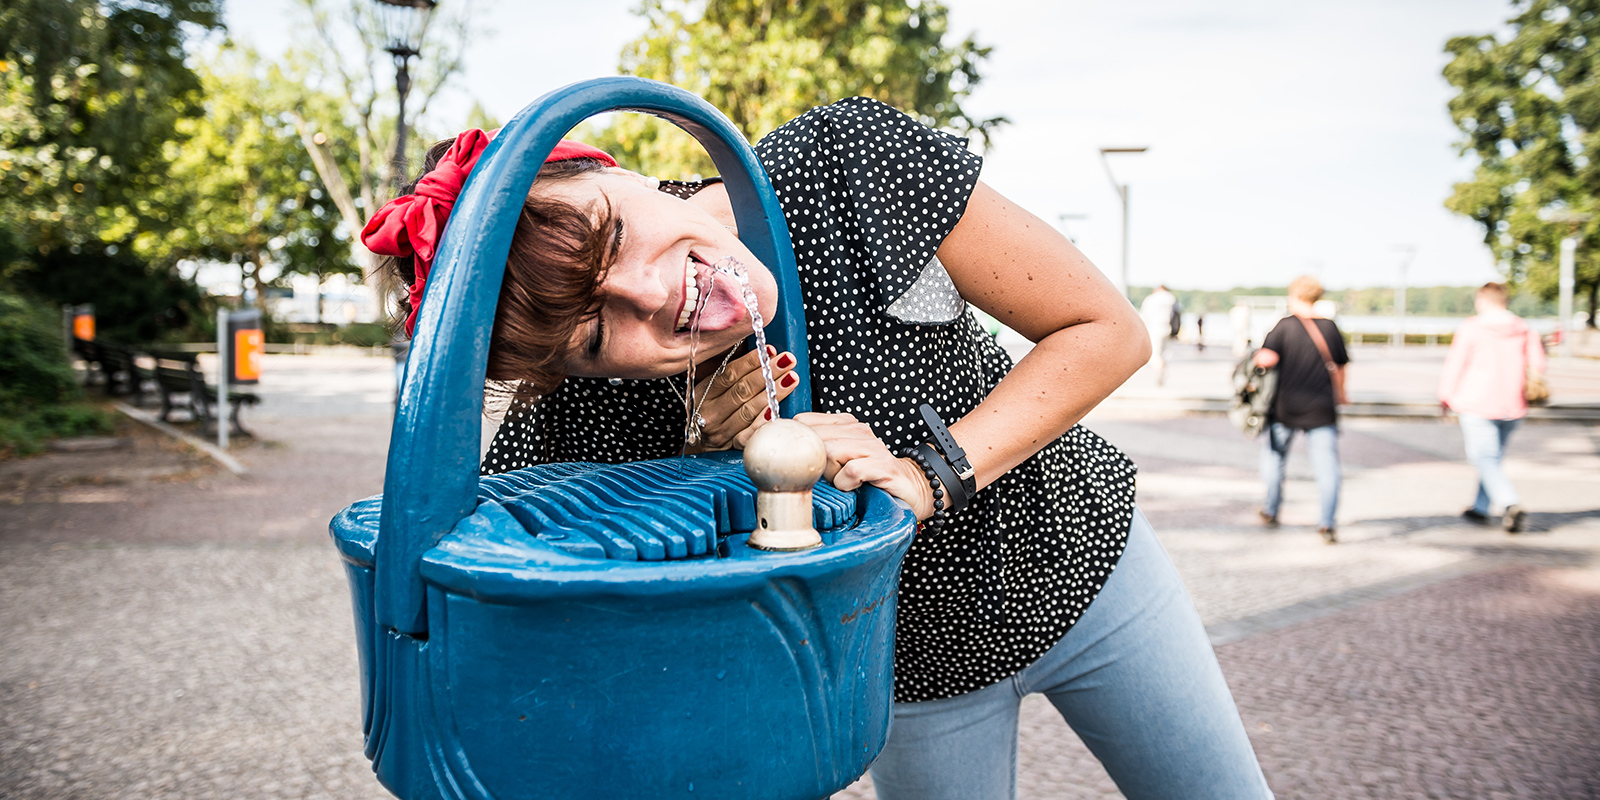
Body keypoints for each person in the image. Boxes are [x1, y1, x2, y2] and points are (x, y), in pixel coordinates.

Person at [367, 98, 1271, 800]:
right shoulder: (577, 418)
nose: (655, 295)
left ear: (611, 166)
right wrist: (702, 456)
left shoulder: (840, 166)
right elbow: (502, 596)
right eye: (600, 332)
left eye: (610, 232)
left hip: (1073, 562)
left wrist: (926, 475)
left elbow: (1103, 330)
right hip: (903, 664)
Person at [1438, 282, 1546, 533]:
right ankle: (1481, 507)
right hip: (1514, 403)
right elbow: (1538, 364)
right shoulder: (1524, 328)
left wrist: (1445, 396)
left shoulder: (1472, 327)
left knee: (1484, 457)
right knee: (1492, 458)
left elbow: (1456, 363)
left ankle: (1510, 503)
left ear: (1483, 301)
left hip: (1477, 403)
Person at [1253, 276, 1347, 544]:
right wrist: (1340, 394)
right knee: (1327, 466)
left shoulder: (1284, 326)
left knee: (1274, 459)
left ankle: (1271, 509)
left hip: (1286, 406)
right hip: (1321, 407)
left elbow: (1266, 359)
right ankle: (1327, 522)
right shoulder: (1330, 327)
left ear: (1294, 295)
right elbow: (1340, 367)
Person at [1139, 284, 1179, 386]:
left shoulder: (1151, 299)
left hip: (1155, 329)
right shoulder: (1172, 298)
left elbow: (1144, 317)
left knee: (1154, 354)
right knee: (1166, 353)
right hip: (1169, 329)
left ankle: (1161, 372)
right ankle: (1163, 371)